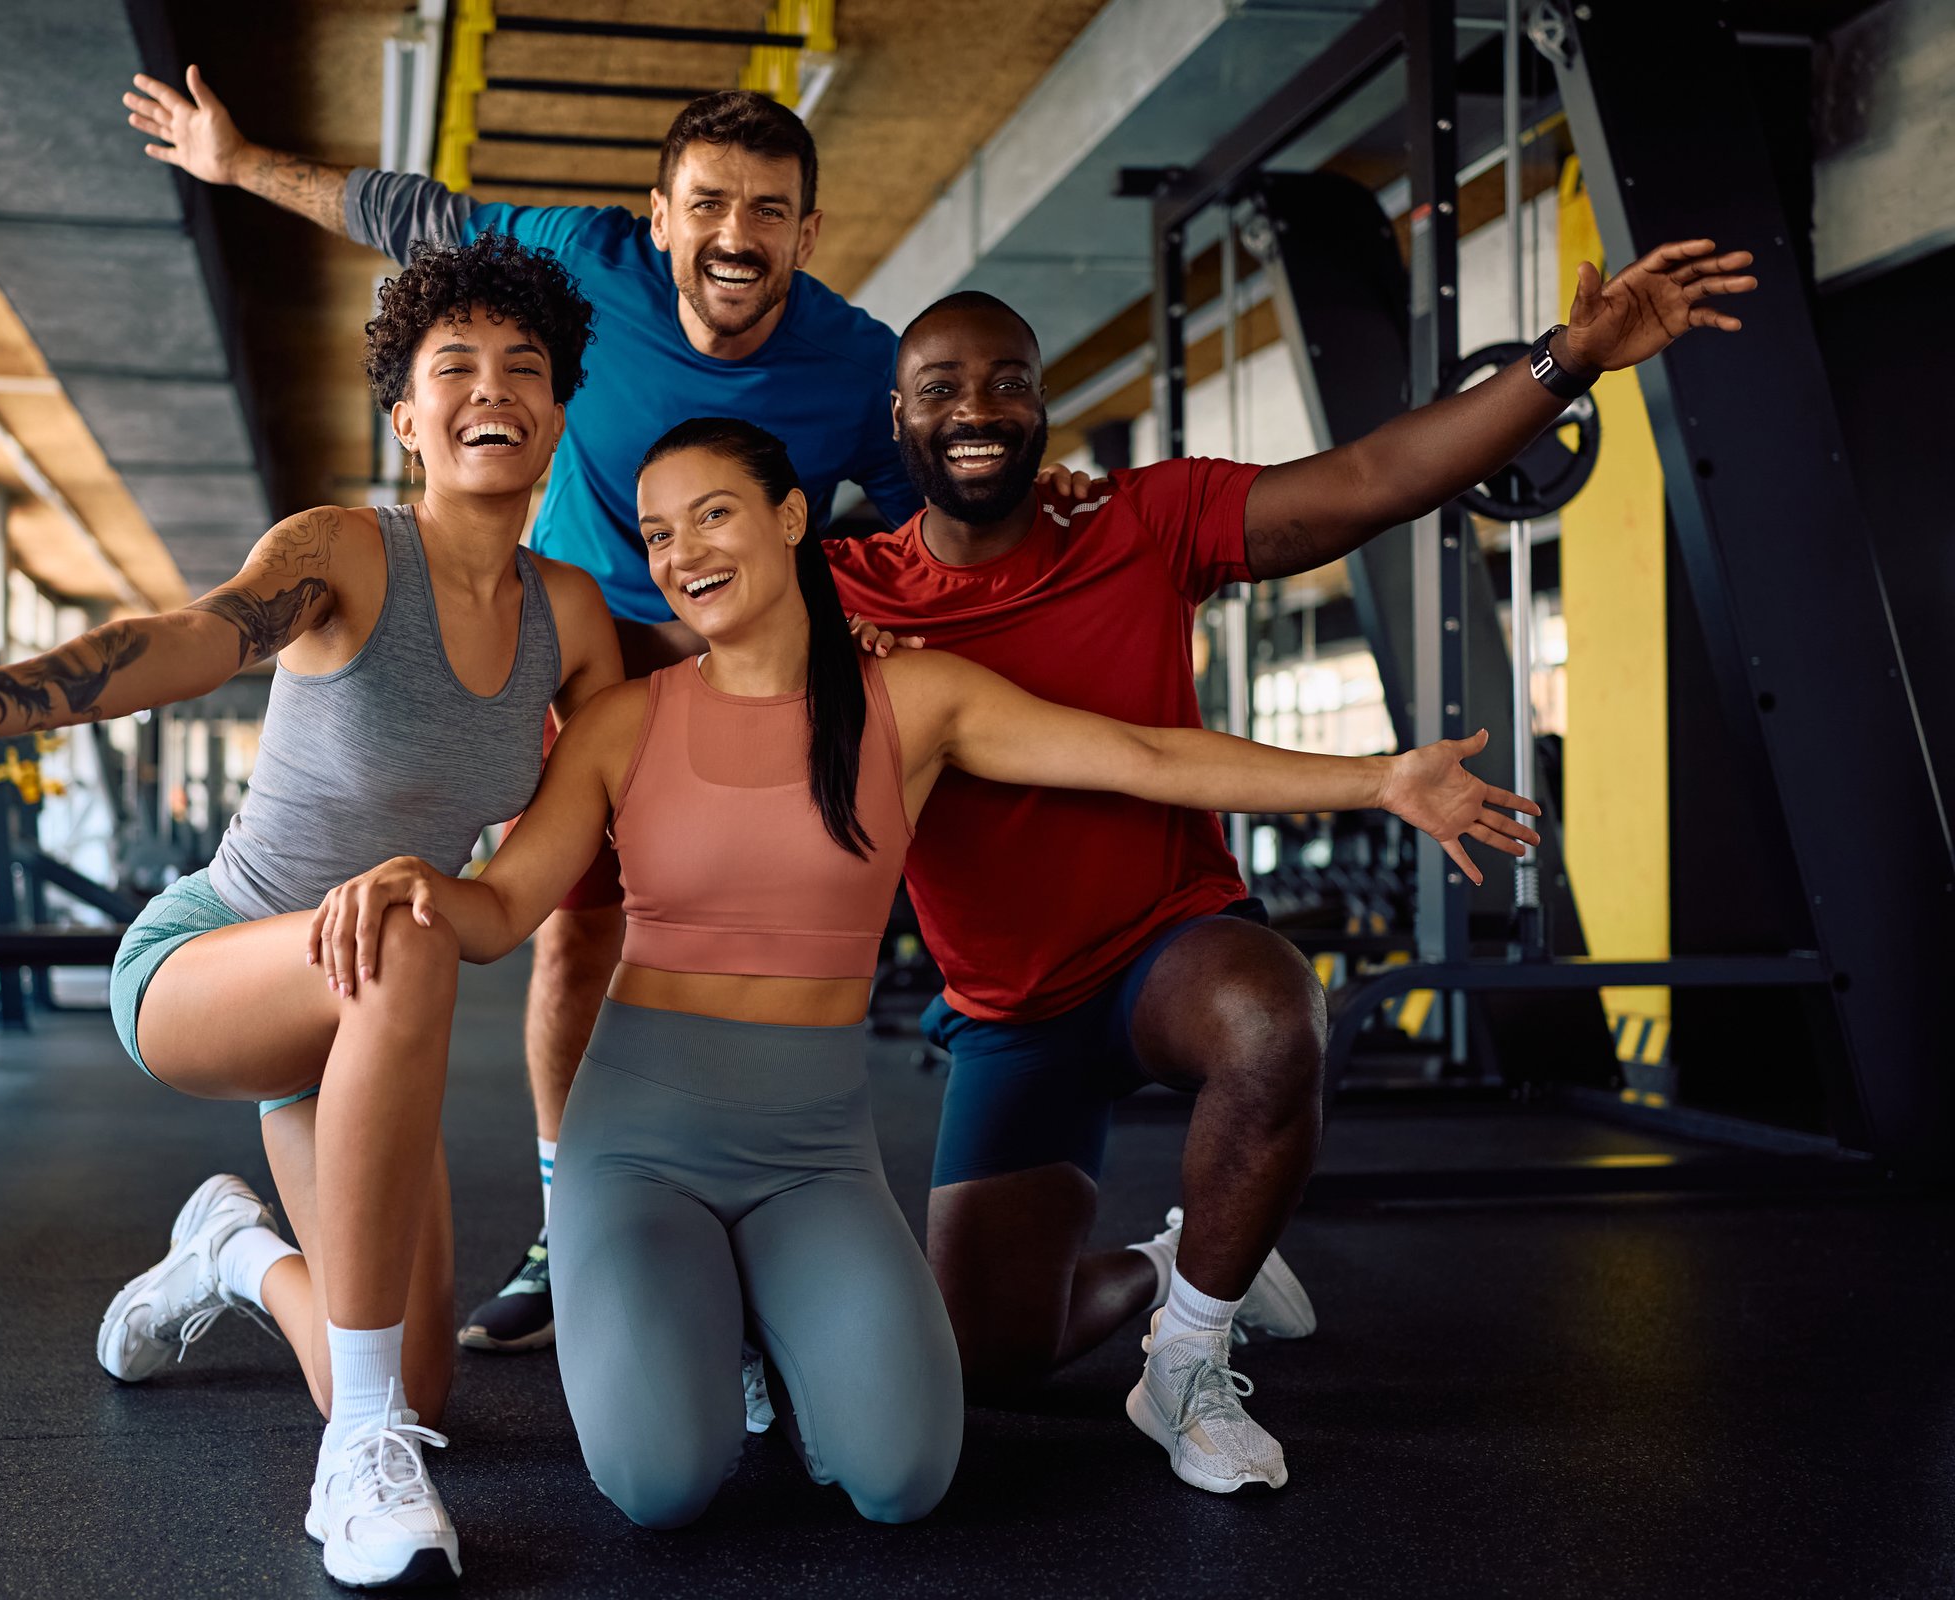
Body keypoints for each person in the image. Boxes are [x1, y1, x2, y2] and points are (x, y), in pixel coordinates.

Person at [315, 417, 1539, 1530]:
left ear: (792, 519)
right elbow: (501, 910)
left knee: (903, 1478)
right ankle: (718, 1310)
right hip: (637, 1147)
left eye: (715, 513)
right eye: (657, 531)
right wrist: (416, 880)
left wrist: (1379, 778)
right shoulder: (622, 724)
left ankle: (765, 1308)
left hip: (812, 1156)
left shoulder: (917, 701)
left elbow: (1142, 755)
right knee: (662, 1484)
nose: (682, 549)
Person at [0, 234, 623, 1587]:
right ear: (406, 416)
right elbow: (189, 637)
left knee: (413, 1371)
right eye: (455, 365)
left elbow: (566, 836)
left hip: (373, 1002)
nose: (490, 386)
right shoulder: (342, 553)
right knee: (402, 935)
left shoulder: (571, 618)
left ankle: (229, 1254)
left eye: (525, 366)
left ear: (560, 408)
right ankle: (355, 1467)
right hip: (213, 963)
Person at [822, 241, 1755, 1492]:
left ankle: (1189, 1360)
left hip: (1166, 945)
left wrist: (1566, 362)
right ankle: (1186, 1261)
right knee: (987, 1355)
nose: (976, 409)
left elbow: (1369, 480)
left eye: (1006, 383)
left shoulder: (1138, 520)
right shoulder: (848, 595)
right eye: (941, 387)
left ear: (1043, 407)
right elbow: (670, 610)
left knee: (1272, 1016)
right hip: (1009, 1012)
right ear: (899, 417)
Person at [123, 68, 927, 1354]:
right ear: (654, 214)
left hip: (732, 675)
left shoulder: (860, 362)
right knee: (577, 930)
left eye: (768, 211)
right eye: (708, 203)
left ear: (807, 233)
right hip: (586, 661)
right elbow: (404, 213)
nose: (735, 235)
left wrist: (906, 581)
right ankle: (567, 1220)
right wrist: (234, 163)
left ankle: (728, 1198)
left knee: (729, 917)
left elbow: (916, 507)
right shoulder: (575, 254)